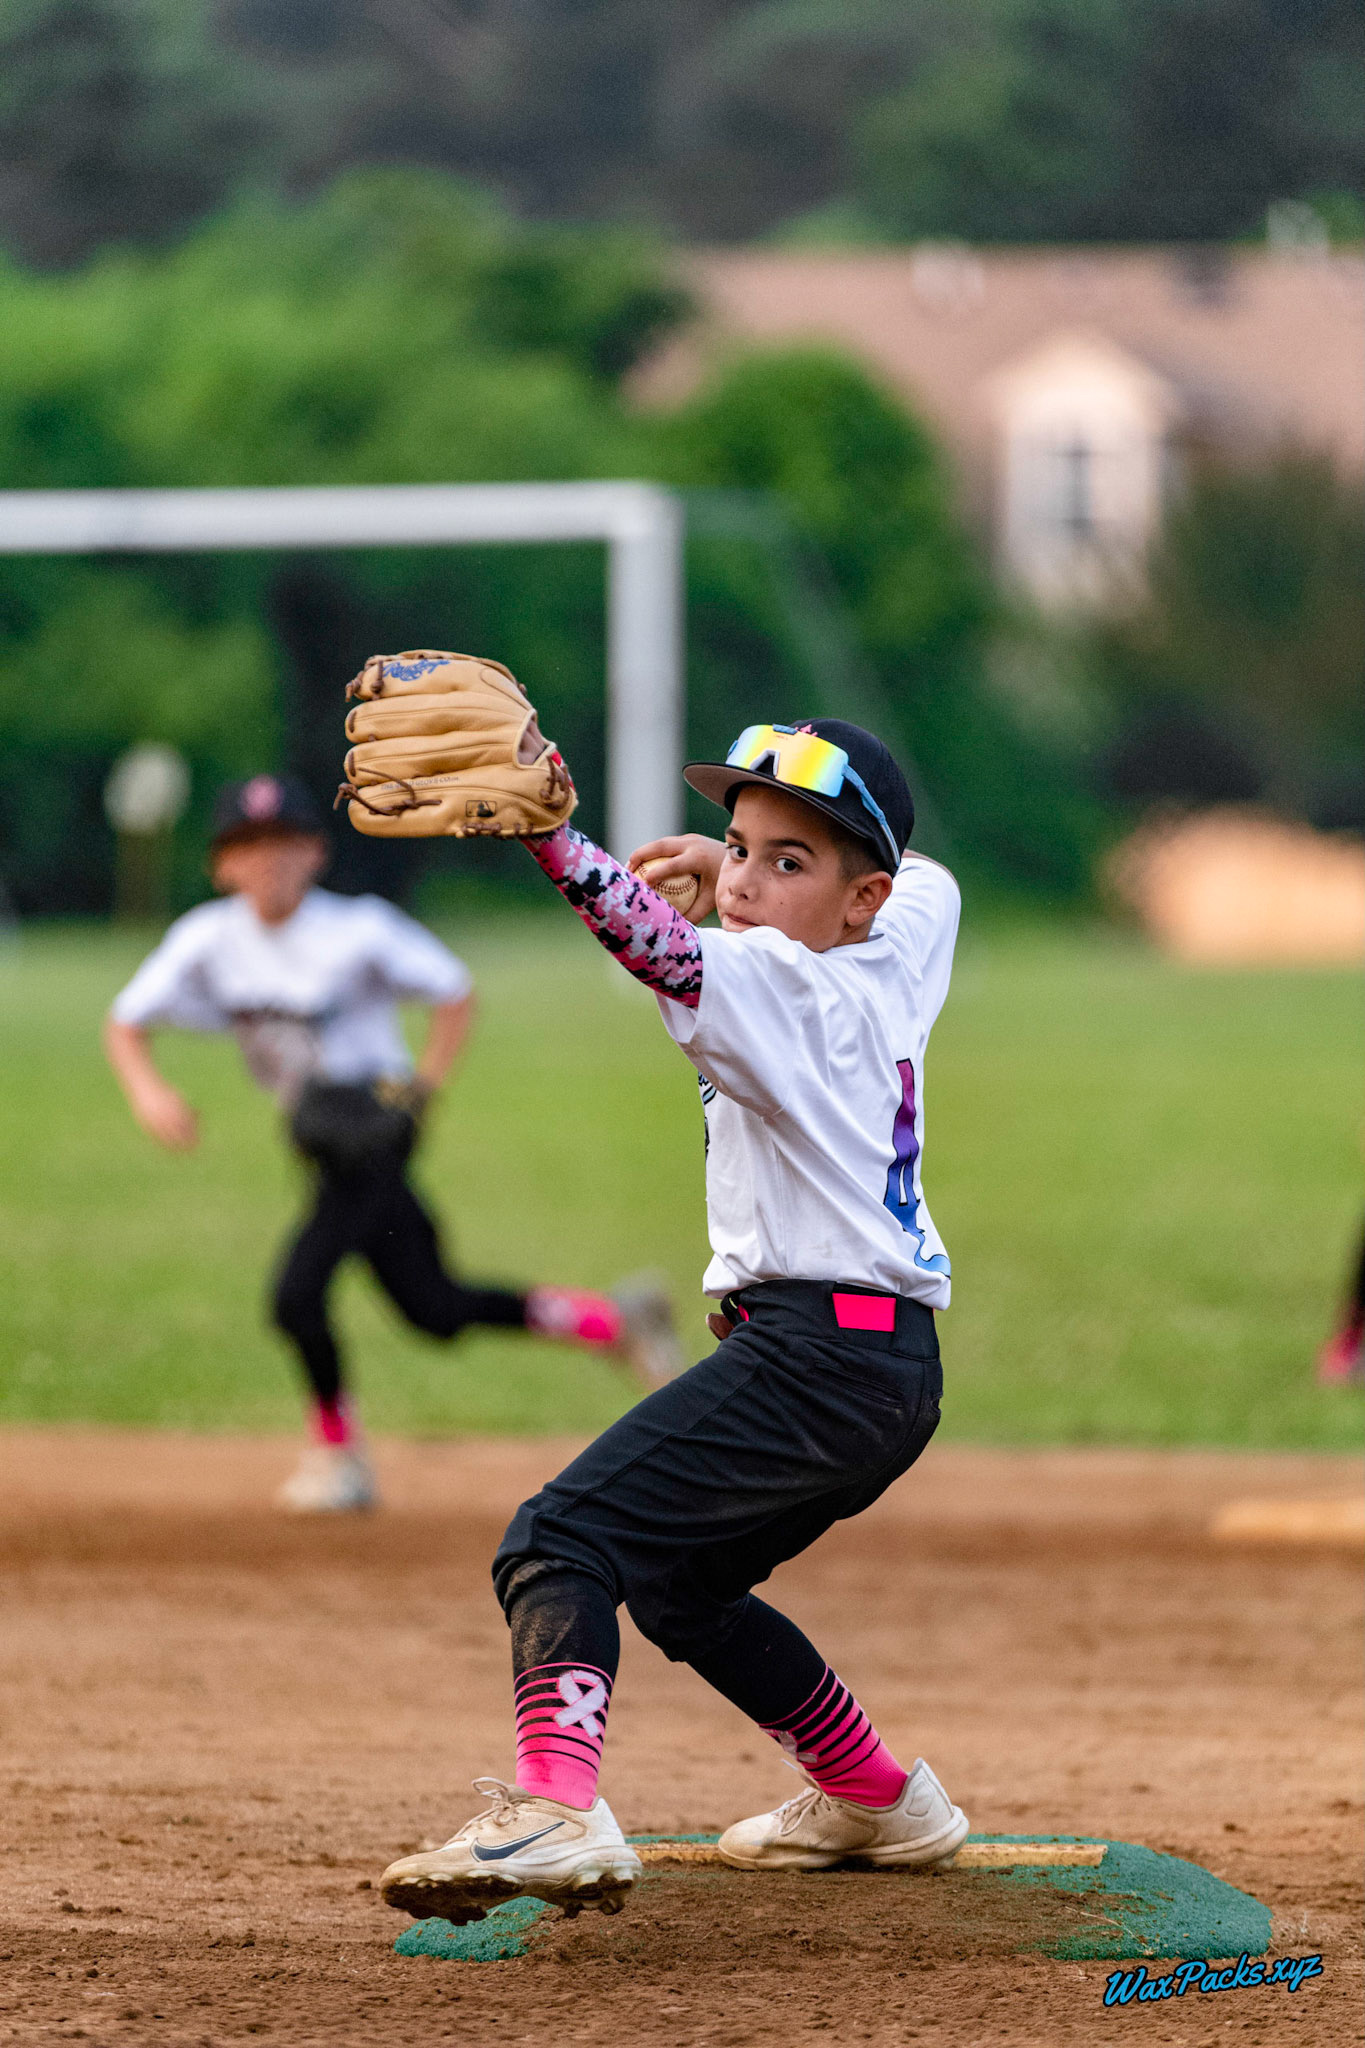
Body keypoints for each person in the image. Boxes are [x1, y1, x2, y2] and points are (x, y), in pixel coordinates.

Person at [377, 715, 969, 1925]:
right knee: (688, 1589)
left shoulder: (777, 980)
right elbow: (932, 881)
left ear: (862, 896)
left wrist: (554, 840)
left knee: (560, 1540)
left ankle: (555, 1803)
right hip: (888, 1368)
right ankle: (874, 1793)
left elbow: (657, 946)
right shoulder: (901, 940)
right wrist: (756, 874)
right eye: (741, 846)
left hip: (814, 1353)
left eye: (783, 862)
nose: (743, 879)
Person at [104, 773, 679, 1515]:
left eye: (284, 843)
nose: (267, 860)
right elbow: (126, 1022)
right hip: (317, 1138)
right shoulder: (208, 939)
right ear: (221, 864)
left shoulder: (358, 928)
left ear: (315, 853)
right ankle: (610, 1320)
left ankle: (340, 1459)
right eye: (247, 847)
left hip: (375, 1132)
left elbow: (453, 989)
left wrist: (424, 1092)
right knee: (432, 1307)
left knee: (295, 1297)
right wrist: (149, 1092)